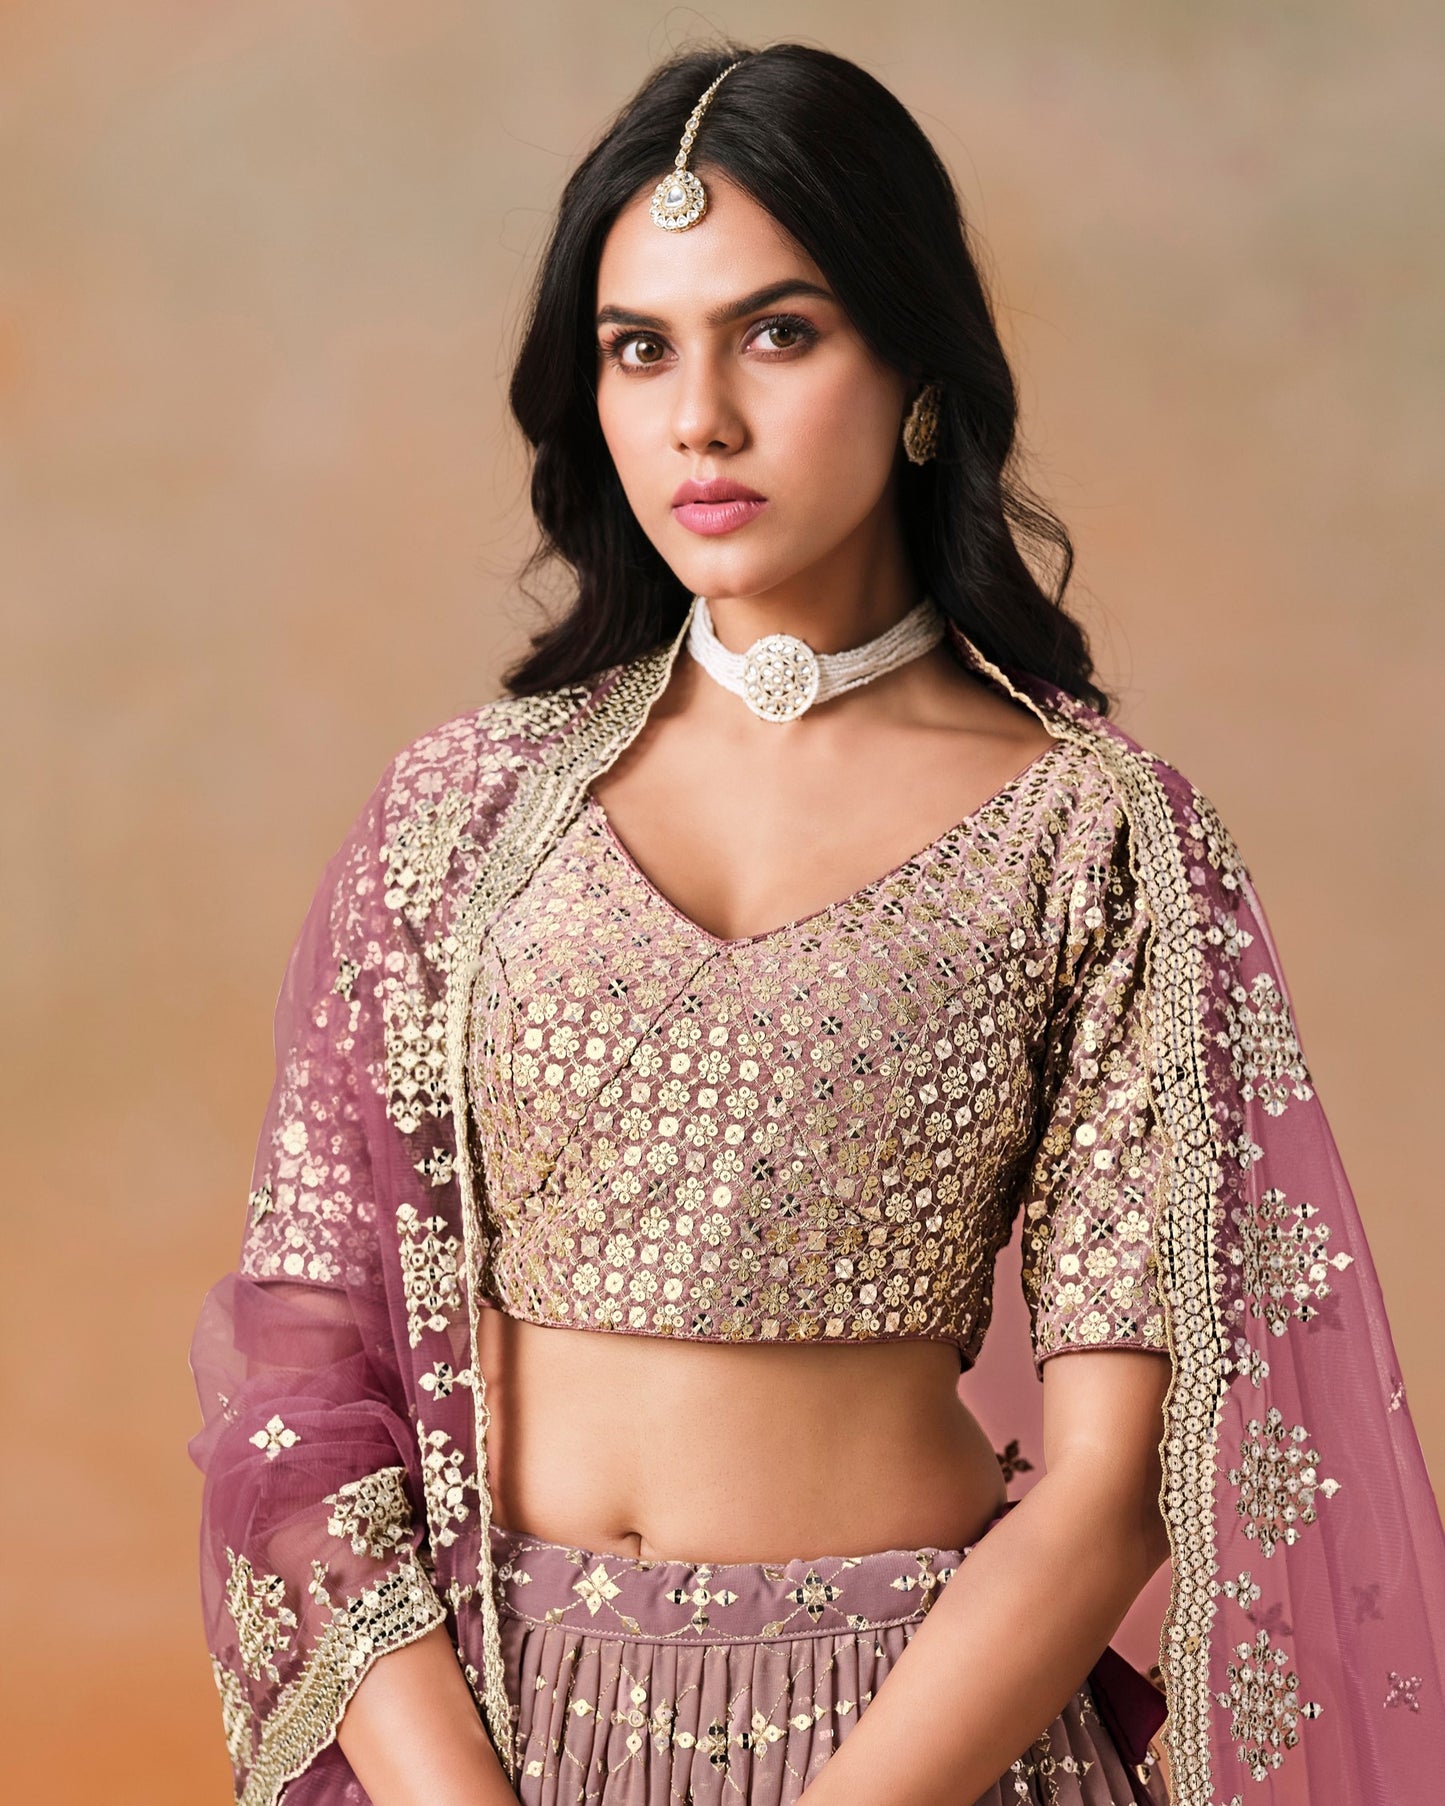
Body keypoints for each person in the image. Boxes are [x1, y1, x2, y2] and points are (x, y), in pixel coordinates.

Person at [186, 39, 1445, 1806]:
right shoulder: (459, 814)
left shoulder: (1092, 836)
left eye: (777, 331)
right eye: (642, 347)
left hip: (921, 1739)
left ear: (918, 371)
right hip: (486, 1727)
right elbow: (301, 1392)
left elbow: (1111, 1479)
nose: (700, 415)